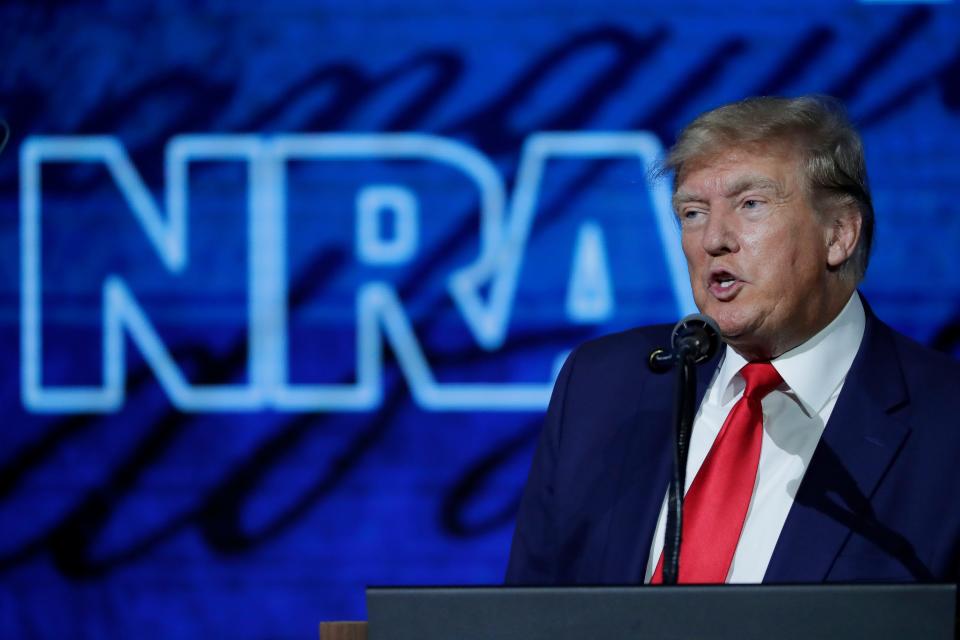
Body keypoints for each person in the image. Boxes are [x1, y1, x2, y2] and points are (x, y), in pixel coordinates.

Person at [505, 95, 960, 585]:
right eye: (693, 212)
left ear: (839, 233)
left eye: (750, 204)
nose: (714, 239)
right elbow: (531, 614)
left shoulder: (945, 422)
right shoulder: (602, 385)